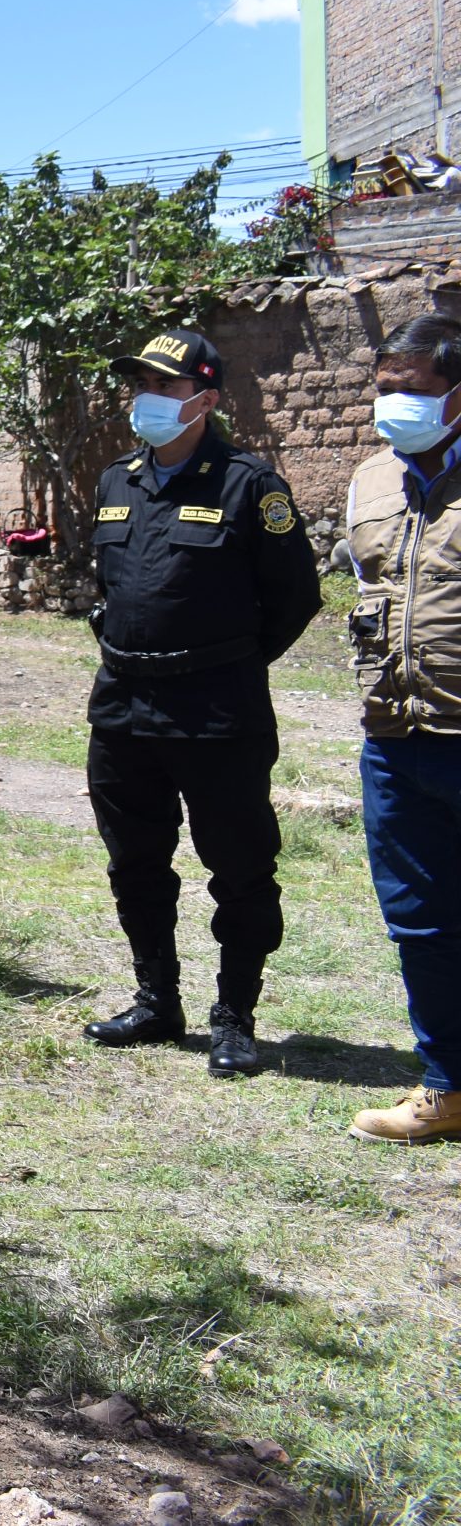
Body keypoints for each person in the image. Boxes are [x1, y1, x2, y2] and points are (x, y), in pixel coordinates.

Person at [79, 328, 320, 1078]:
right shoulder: (118, 479)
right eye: (137, 384)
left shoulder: (251, 485)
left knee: (240, 867)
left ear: (206, 399)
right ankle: (158, 1000)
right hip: (123, 703)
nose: (142, 399)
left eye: (163, 385)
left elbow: (295, 599)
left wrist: (226, 663)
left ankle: (235, 1015)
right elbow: (110, 592)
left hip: (218, 708)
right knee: (135, 862)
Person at [339, 318, 461, 1139]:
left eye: (411, 388)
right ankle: (446, 1087)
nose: (393, 403)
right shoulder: (370, 482)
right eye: (385, 387)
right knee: (420, 919)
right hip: (394, 739)